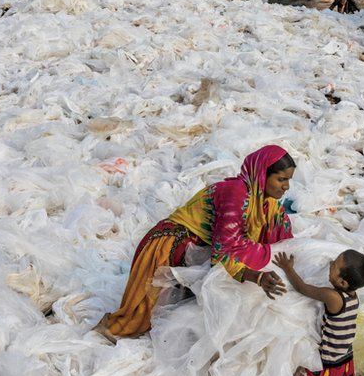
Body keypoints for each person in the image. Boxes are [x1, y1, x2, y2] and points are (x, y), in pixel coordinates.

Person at [95, 145, 295, 341]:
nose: (286, 186)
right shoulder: (236, 194)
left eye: (288, 180)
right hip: (169, 247)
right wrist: (257, 277)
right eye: (281, 179)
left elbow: (283, 243)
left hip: (195, 249)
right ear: (262, 174)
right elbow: (223, 253)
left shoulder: (268, 206)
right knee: (137, 319)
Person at [273, 248, 364, 376]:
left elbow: (302, 288)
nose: (331, 264)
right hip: (345, 359)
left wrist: (288, 268)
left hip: (328, 362)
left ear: (342, 282)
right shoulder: (353, 296)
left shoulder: (333, 296)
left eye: (334, 266)